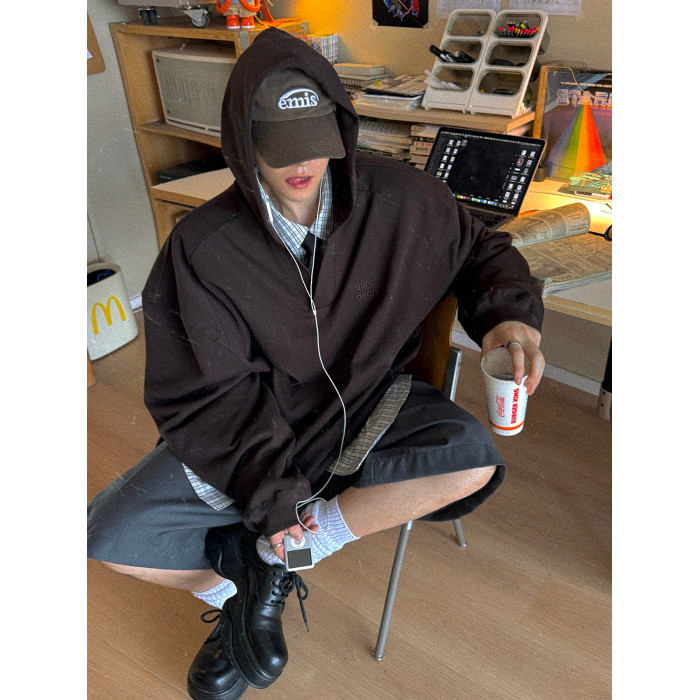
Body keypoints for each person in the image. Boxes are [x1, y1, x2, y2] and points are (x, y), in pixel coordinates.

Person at [87, 27, 545, 700]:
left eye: (315, 140)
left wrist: (508, 316)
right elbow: (211, 400)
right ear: (243, 144)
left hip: (369, 404)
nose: (302, 163)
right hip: (253, 428)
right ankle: (246, 588)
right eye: (280, 146)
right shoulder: (203, 250)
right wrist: (275, 502)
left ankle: (269, 566)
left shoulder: (405, 200)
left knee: (473, 460)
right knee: (106, 537)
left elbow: (481, 249)